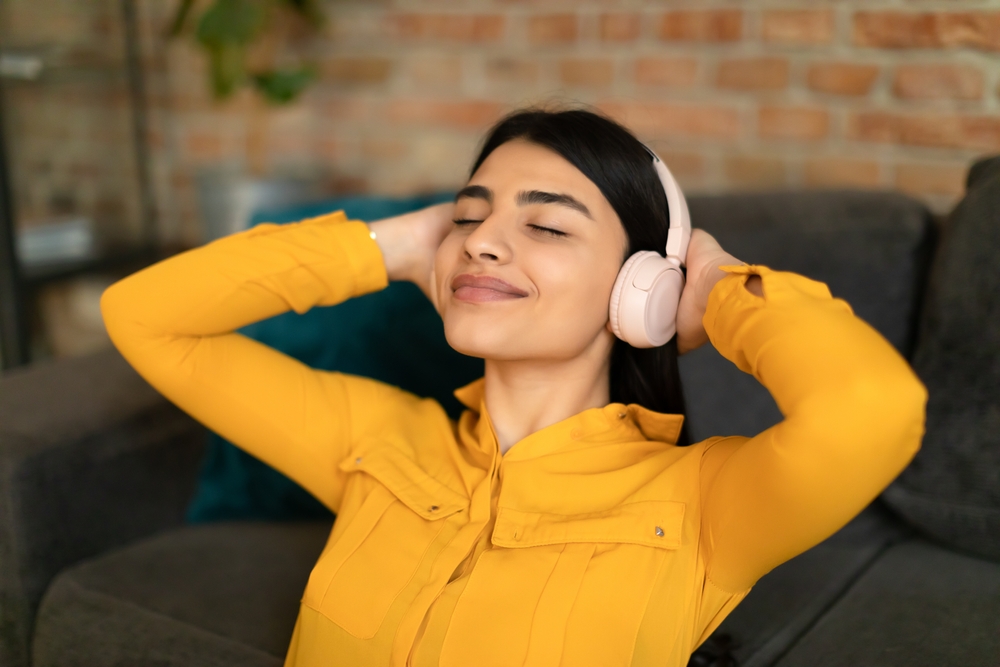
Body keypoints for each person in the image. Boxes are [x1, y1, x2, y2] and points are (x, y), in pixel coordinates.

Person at [101, 108, 926, 667]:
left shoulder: (705, 504)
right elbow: (143, 316)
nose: (484, 242)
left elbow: (873, 411)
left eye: (546, 223)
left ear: (641, 287)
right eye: (469, 215)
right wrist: (391, 244)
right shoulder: (373, 440)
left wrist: (716, 286)